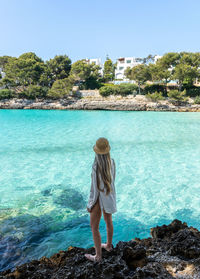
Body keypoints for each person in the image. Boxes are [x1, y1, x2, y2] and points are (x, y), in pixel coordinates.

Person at [84, 137, 117, 262]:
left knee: (94, 227)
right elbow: (113, 179)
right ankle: (108, 245)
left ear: (97, 151)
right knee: (109, 221)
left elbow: (94, 189)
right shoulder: (112, 162)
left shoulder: (96, 166)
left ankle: (98, 256)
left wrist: (90, 204)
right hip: (108, 195)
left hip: (98, 198)